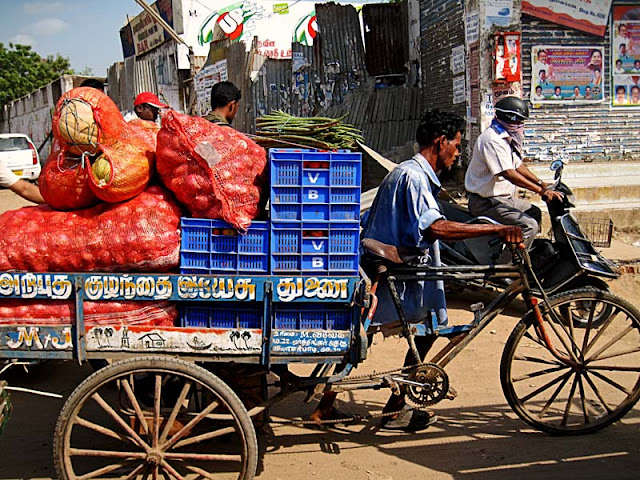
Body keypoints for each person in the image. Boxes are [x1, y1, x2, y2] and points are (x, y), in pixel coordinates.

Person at [310, 110, 523, 431]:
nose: (457, 153)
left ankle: (389, 406)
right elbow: (435, 227)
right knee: (386, 335)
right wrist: (493, 230)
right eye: (456, 145)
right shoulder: (413, 178)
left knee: (420, 331)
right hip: (399, 272)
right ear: (441, 142)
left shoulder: (410, 173)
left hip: (403, 267)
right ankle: (388, 410)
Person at [464, 96, 563, 255]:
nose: (520, 126)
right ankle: (507, 269)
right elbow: (508, 173)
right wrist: (539, 191)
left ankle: (525, 254)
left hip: (503, 199)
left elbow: (518, 165)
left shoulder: (505, 138)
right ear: (510, 119)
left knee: (534, 212)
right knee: (529, 225)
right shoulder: (492, 139)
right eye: (519, 122)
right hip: (487, 203)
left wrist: (541, 183)